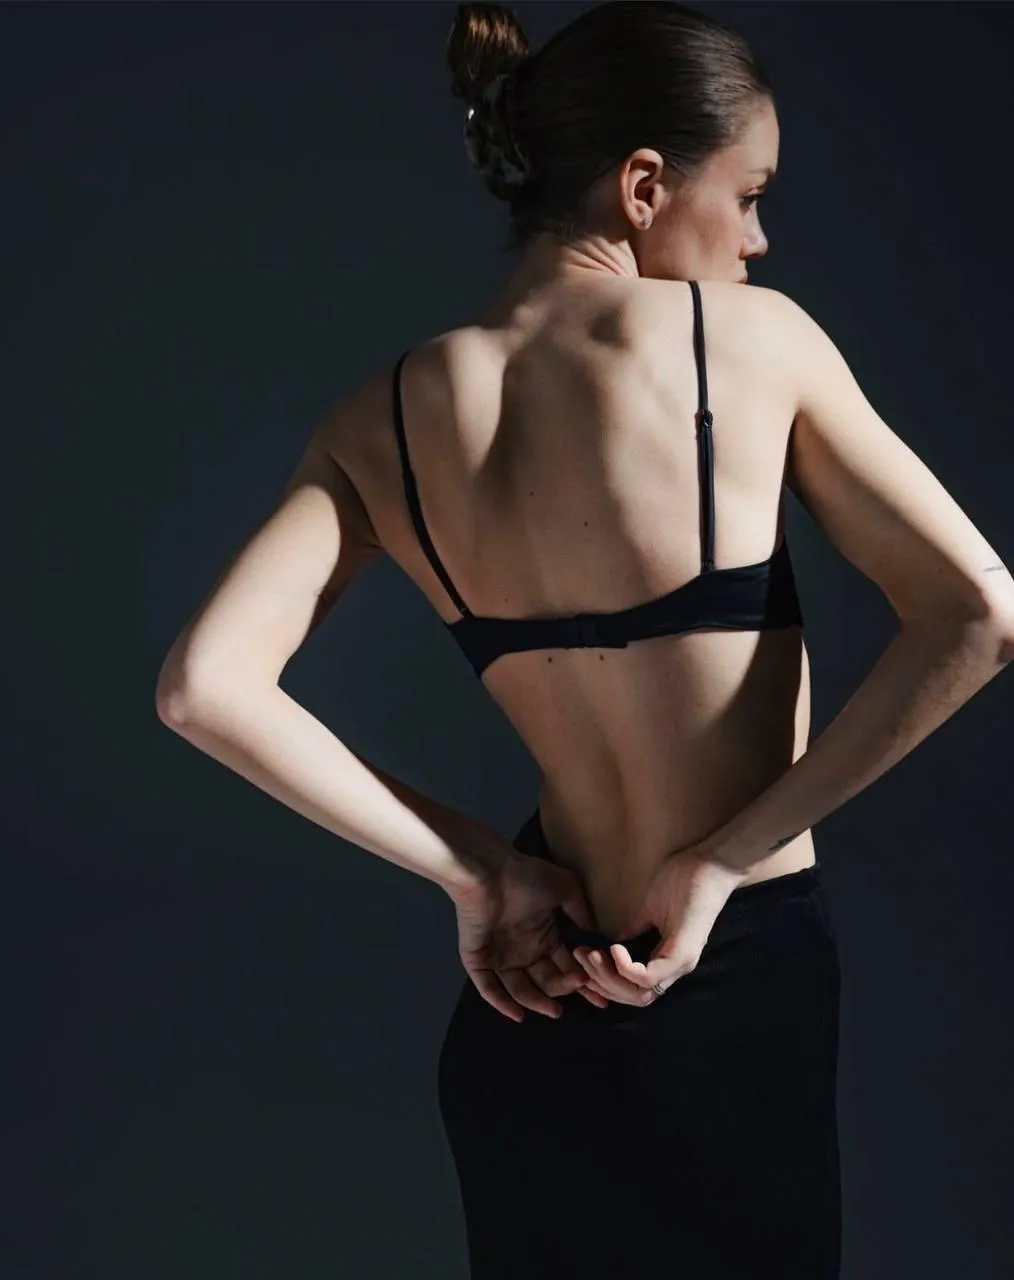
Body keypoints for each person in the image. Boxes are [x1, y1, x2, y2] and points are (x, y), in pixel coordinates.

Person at [155, 2, 1014, 1276]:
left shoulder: (381, 414)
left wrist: (479, 873)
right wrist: (725, 859)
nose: (761, 241)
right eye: (752, 193)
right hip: (727, 989)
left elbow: (202, 688)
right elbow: (979, 613)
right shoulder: (753, 344)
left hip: (529, 1006)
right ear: (646, 184)